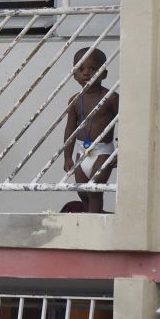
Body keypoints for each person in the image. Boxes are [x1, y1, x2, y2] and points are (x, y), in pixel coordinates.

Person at [63, 47, 119, 213]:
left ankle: (94, 224)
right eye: (80, 69)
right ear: (74, 74)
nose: (86, 73)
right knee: (83, 192)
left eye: (93, 68)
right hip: (82, 151)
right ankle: (91, 219)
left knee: (94, 190)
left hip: (102, 152)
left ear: (104, 73)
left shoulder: (111, 98)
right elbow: (70, 129)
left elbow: (125, 123)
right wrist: (67, 156)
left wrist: (119, 152)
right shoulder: (74, 101)